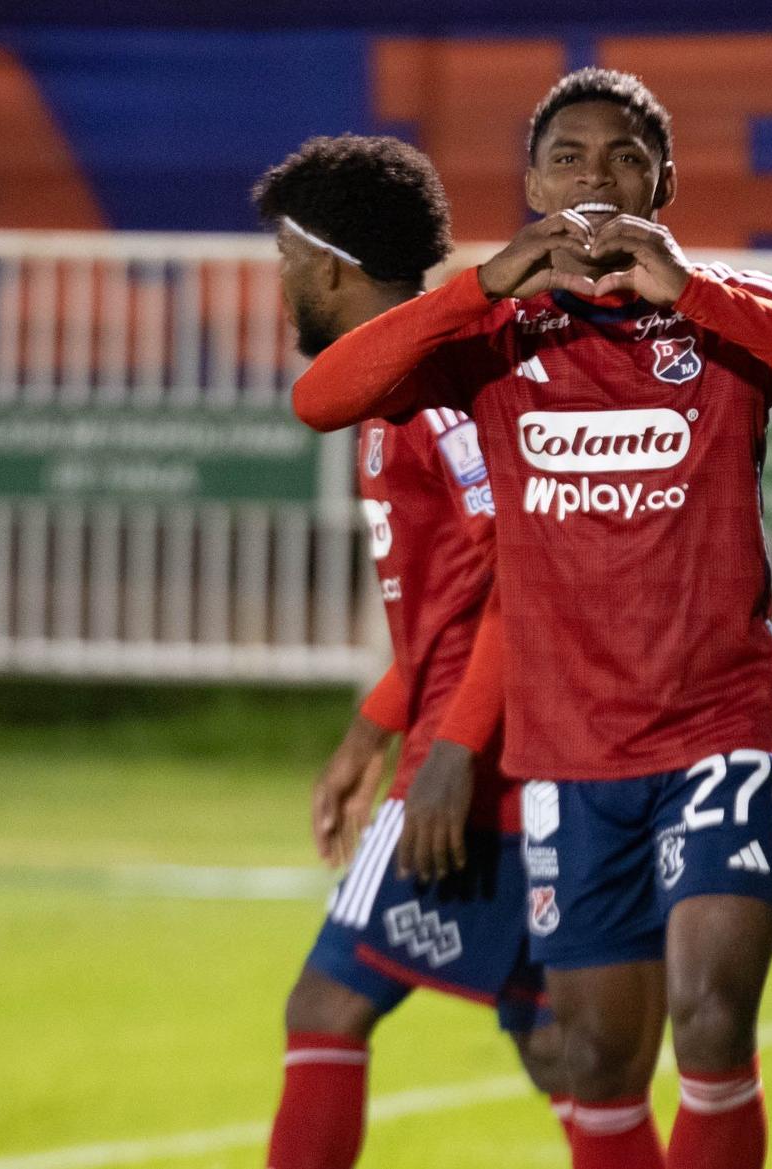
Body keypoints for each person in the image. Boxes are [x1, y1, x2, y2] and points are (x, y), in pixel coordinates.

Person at [289, 72, 772, 1169]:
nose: (595, 177)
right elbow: (322, 396)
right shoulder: (497, 336)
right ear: (531, 183)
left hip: (717, 734)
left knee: (714, 1022)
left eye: (624, 156)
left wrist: (699, 296)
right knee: (596, 1068)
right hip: (570, 760)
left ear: (664, 182)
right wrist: (481, 283)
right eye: (567, 157)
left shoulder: (729, 308)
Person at [254, 134, 578, 1169]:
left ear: (334, 269)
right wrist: (369, 732)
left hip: (479, 764)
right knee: (561, 1049)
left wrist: (449, 751)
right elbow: (450, 604)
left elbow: (523, 578)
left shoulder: (436, 391)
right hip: (503, 751)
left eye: (287, 266)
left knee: (326, 1003)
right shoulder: (397, 387)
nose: (283, 288)